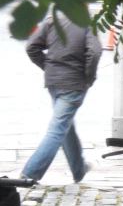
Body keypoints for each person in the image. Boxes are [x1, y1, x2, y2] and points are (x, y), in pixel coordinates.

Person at [21, 11, 102, 183]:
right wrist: (88, 78)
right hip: (73, 83)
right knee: (57, 130)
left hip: (53, 82)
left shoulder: (53, 21)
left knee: (65, 126)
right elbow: (94, 52)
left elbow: (31, 47)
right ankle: (29, 174)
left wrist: (48, 67)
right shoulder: (88, 24)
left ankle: (79, 169)